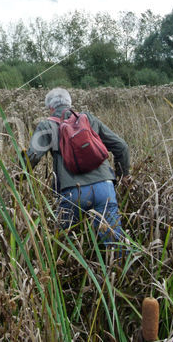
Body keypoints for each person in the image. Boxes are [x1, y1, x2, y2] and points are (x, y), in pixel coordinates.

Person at [25, 88, 130, 246]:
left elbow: (32, 157)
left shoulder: (47, 125)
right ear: (70, 103)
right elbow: (121, 146)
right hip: (105, 187)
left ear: (50, 108)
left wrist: (19, 176)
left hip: (72, 192)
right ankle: (118, 269)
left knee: (62, 245)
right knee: (115, 245)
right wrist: (123, 177)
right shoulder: (88, 119)